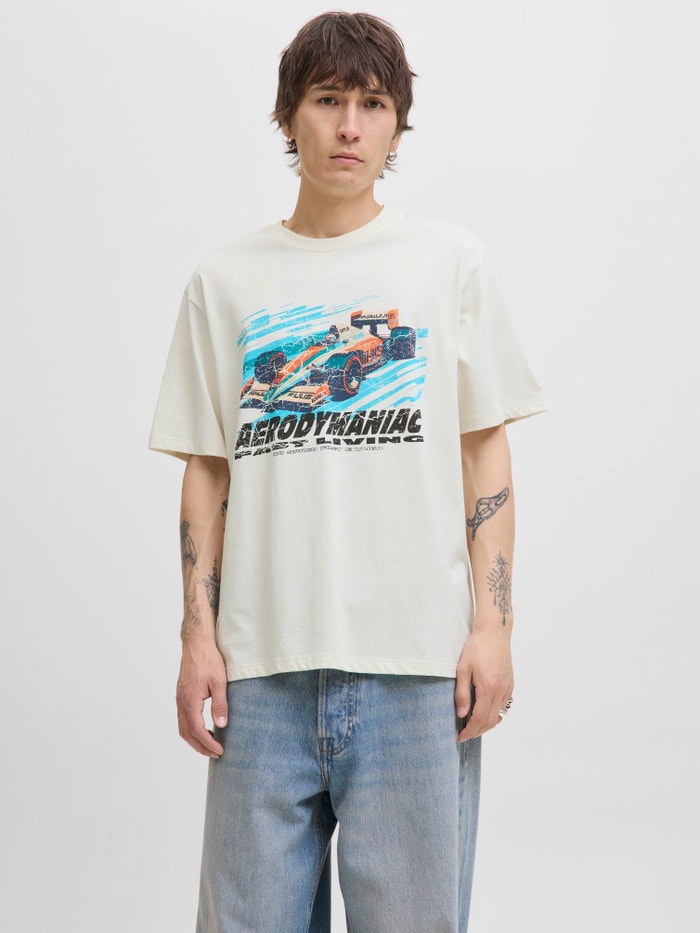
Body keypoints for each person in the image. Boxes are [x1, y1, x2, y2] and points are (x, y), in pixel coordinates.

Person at [149, 11, 546, 932]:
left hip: (416, 669)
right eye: (329, 100)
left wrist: (494, 626)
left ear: (399, 126)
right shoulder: (225, 280)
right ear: (290, 115)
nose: (350, 127)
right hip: (260, 673)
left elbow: (484, 448)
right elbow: (207, 470)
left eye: (373, 105)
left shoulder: (449, 263)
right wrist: (197, 638)